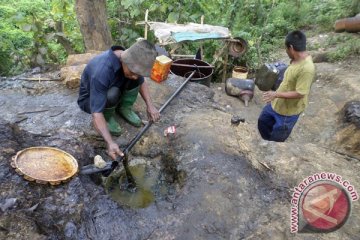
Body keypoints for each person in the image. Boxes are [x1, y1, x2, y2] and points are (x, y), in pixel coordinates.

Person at [77, 39, 160, 159]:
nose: (135, 75)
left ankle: (124, 108)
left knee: (134, 80)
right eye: (133, 71)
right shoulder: (102, 71)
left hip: (115, 84)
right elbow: (96, 114)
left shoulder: (129, 59)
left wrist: (150, 105)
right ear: (125, 61)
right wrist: (110, 143)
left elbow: (140, 80)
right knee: (112, 94)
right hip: (90, 99)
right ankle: (108, 117)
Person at [257, 30, 315, 142]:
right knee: (263, 121)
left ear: (291, 48)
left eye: (286, 48)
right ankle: (265, 142)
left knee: (277, 138)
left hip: (288, 113)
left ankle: (271, 148)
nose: (285, 50)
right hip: (276, 103)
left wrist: (276, 94)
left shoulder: (307, 69)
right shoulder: (295, 59)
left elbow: (300, 93)